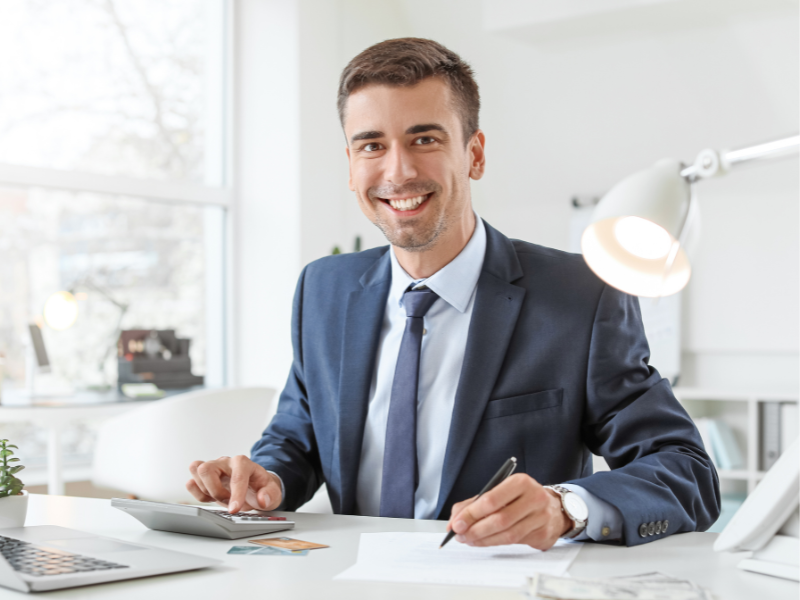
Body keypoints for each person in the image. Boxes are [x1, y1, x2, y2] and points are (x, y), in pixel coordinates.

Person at [187, 38, 720, 549]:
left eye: (425, 139)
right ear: (351, 166)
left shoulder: (582, 296)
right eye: (371, 145)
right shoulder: (323, 288)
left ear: (475, 154)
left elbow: (685, 469)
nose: (398, 171)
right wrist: (268, 478)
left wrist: (565, 508)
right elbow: (299, 436)